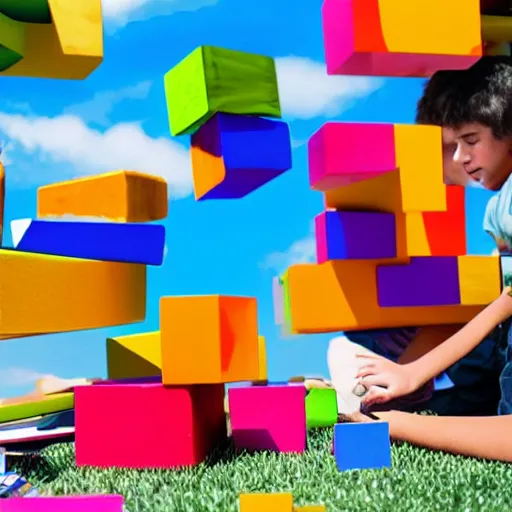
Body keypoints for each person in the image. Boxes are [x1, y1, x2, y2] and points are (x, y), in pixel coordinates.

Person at [344, 56, 512, 461]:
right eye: (451, 147)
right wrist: (411, 372)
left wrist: (412, 382)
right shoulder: (497, 210)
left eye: (468, 141)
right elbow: (499, 295)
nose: (459, 159)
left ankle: (398, 420)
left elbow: (503, 300)